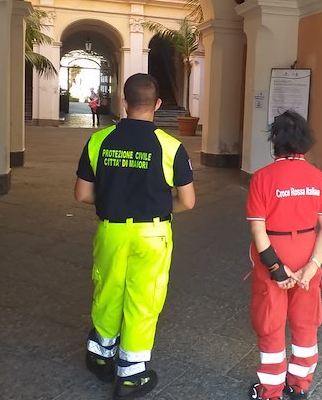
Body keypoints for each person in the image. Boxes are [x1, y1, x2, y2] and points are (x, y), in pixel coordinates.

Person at [74, 73, 195, 399]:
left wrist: (112, 199)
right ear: (157, 104)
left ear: (124, 102)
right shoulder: (172, 146)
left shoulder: (99, 141)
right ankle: (130, 375)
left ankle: (101, 357)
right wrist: (158, 208)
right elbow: (187, 201)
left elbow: (82, 195)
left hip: (111, 231)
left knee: (108, 290)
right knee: (144, 300)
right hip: (153, 234)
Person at [246, 110, 322, 400]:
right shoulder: (319, 178)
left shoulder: (262, 178)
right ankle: (299, 385)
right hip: (308, 252)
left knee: (271, 324)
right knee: (306, 323)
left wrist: (277, 269)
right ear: (305, 142)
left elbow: (258, 232)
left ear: (275, 143)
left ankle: (270, 391)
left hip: (273, 255)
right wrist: (311, 267)